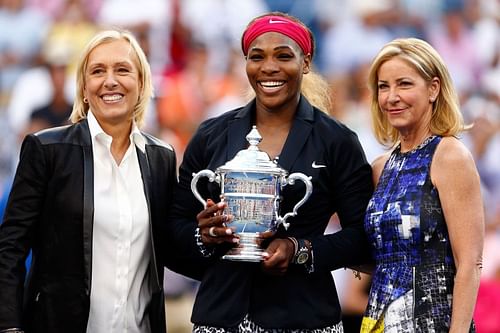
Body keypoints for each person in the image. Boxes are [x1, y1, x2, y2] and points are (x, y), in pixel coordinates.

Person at [167, 12, 374, 332]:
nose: (269, 67)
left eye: (283, 55)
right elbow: (173, 233)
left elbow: (362, 238)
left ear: (305, 62)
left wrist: (300, 250)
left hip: (305, 318)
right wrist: (204, 236)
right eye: (257, 56)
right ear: (245, 62)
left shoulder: (337, 141)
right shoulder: (211, 135)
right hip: (221, 317)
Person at [0, 29, 199, 333]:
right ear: (83, 88)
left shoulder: (161, 157)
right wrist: (9, 326)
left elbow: (169, 248)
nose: (110, 80)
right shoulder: (47, 150)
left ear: (141, 83)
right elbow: (10, 248)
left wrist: (206, 234)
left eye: (122, 69)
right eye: (97, 71)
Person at [360, 38, 484, 332]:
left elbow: (469, 264)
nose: (392, 97)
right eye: (383, 86)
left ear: (433, 89)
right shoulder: (381, 167)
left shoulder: (450, 156)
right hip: (377, 320)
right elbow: (381, 257)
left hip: (433, 322)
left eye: (404, 84)